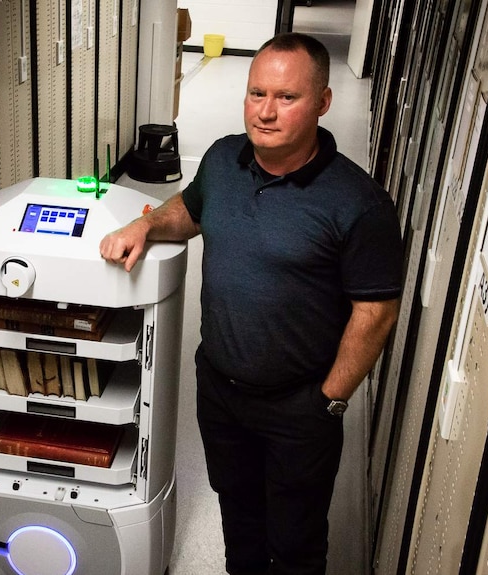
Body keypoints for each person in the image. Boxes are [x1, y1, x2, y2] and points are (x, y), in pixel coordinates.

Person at [100, 32, 403, 575]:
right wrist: (144, 225)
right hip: (220, 393)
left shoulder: (358, 203)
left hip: (300, 407)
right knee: (238, 522)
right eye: (256, 93)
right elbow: (189, 212)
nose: (265, 112)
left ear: (323, 103)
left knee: (295, 542)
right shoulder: (222, 160)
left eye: (286, 97)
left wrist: (328, 403)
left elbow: (376, 312)